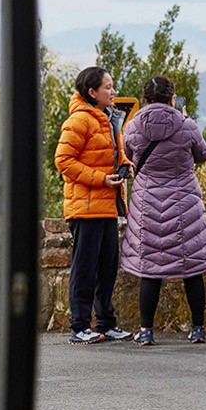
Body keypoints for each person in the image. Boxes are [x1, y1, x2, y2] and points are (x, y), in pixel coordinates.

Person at [120, 75, 206, 346]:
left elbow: (129, 152)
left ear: (145, 99)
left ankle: (146, 331)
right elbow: (203, 155)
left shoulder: (133, 127)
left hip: (146, 201)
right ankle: (198, 329)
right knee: (192, 267)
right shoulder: (186, 125)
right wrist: (185, 121)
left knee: (149, 268)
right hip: (184, 200)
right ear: (172, 98)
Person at [55, 66, 131, 344]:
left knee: (108, 267)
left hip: (108, 205)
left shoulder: (108, 119)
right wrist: (100, 179)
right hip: (85, 208)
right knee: (85, 269)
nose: (113, 92)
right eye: (108, 87)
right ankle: (79, 326)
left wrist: (124, 166)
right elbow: (63, 161)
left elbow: (113, 155)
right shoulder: (79, 121)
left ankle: (106, 323)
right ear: (92, 92)